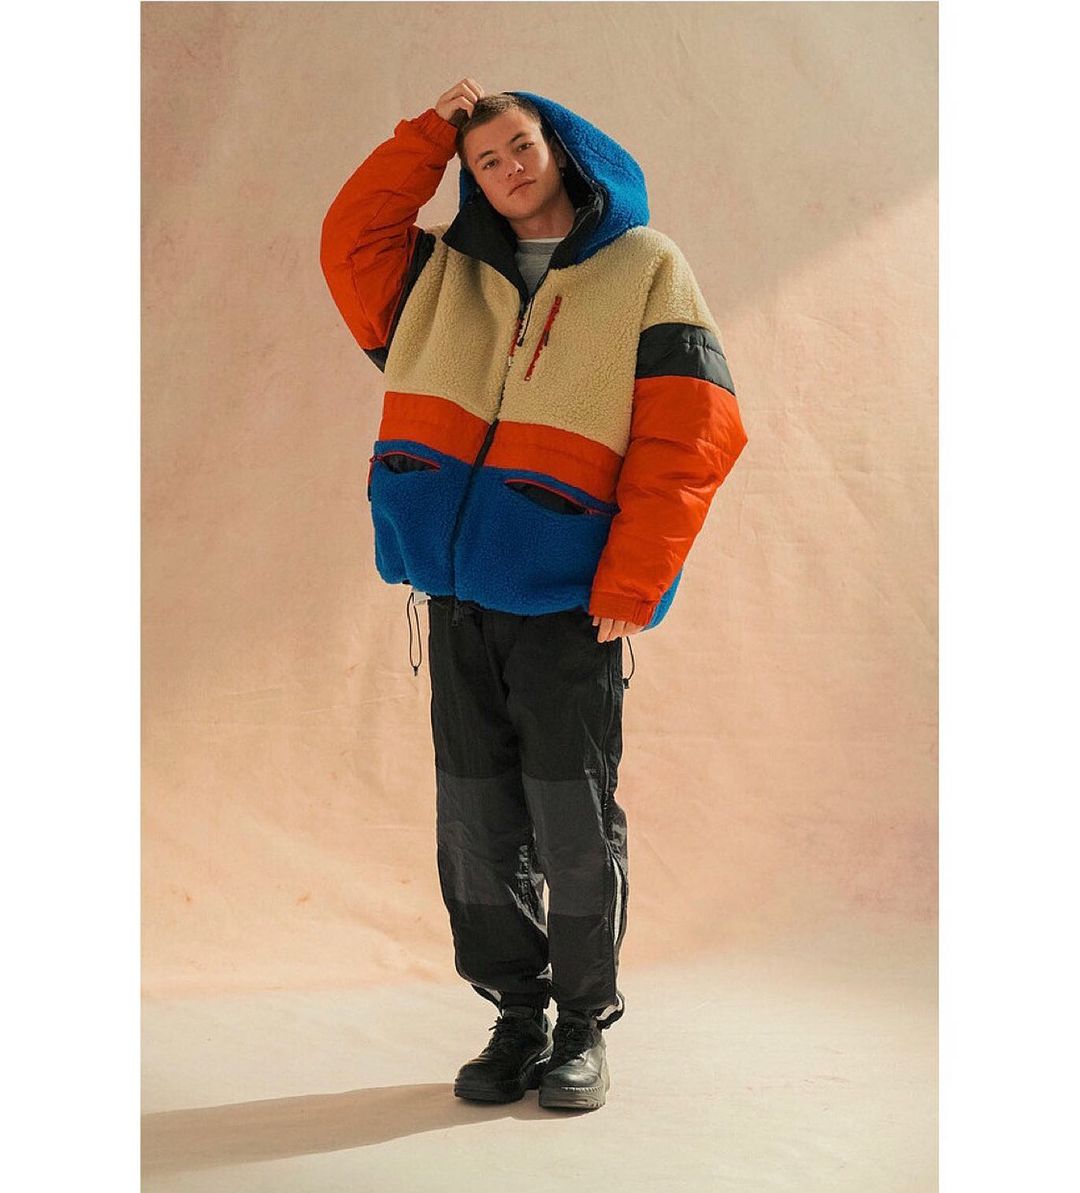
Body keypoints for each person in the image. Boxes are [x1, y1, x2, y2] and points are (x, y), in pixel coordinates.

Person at [320, 79, 747, 1111]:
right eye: (485, 159)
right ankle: (516, 1013)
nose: (509, 169)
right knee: (476, 823)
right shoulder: (436, 275)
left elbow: (690, 431)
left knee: (571, 820)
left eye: (521, 146)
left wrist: (634, 580)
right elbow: (349, 236)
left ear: (561, 147)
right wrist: (430, 132)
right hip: (457, 598)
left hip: (566, 608)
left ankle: (583, 1023)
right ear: (470, 176)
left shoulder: (646, 268)